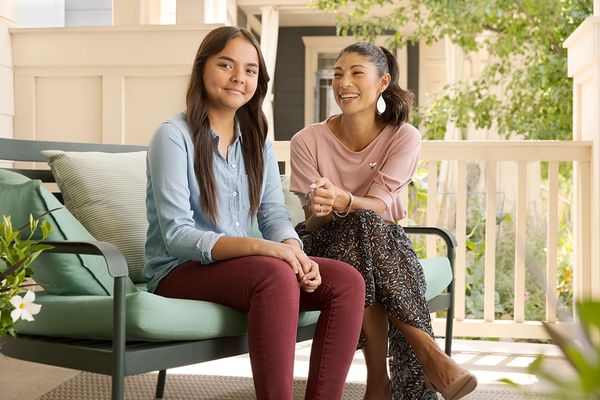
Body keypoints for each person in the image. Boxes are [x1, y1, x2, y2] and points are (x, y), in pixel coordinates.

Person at [143, 26, 366, 400]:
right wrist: (264, 250)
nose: (238, 78)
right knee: (274, 274)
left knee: (346, 281)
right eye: (226, 65)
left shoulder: (255, 136)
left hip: (242, 269)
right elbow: (178, 235)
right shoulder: (172, 135)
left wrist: (293, 250)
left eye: (249, 71)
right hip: (178, 271)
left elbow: (272, 211)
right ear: (202, 69)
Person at [290, 42, 478, 400]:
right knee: (361, 227)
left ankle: (379, 382)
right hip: (321, 244)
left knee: (367, 228)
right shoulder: (307, 141)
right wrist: (323, 209)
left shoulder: (403, 136)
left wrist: (344, 200)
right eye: (338, 74)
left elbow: (378, 204)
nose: (344, 82)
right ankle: (429, 355)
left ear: (382, 82)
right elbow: (311, 223)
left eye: (357, 72)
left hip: (381, 243)